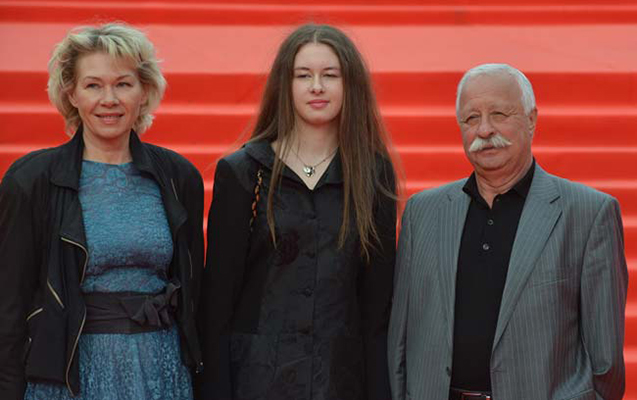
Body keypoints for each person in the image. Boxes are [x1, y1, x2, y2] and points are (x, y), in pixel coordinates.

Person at [388, 63, 628, 400]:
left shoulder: (588, 214)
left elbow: (606, 364)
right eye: (471, 118)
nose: (484, 130)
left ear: (531, 119)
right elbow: (400, 340)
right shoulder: (422, 213)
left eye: (499, 114)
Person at [0, 23, 204, 400]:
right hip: (70, 375)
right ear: (71, 94)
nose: (109, 99)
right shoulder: (31, 180)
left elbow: (196, 293)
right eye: (93, 85)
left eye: (123, 84)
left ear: (144, 91)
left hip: (162, 370)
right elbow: (8, 304)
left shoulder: (179, 176)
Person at [197, 23, 397, 400]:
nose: (316, 86)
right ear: (284, 85)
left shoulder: (373, 173)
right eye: (303, 75)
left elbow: (376, 308)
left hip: (340, 381)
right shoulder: (243, 172)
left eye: (330, 75)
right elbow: (218, 301)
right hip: (255, 381)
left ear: (350, 84)